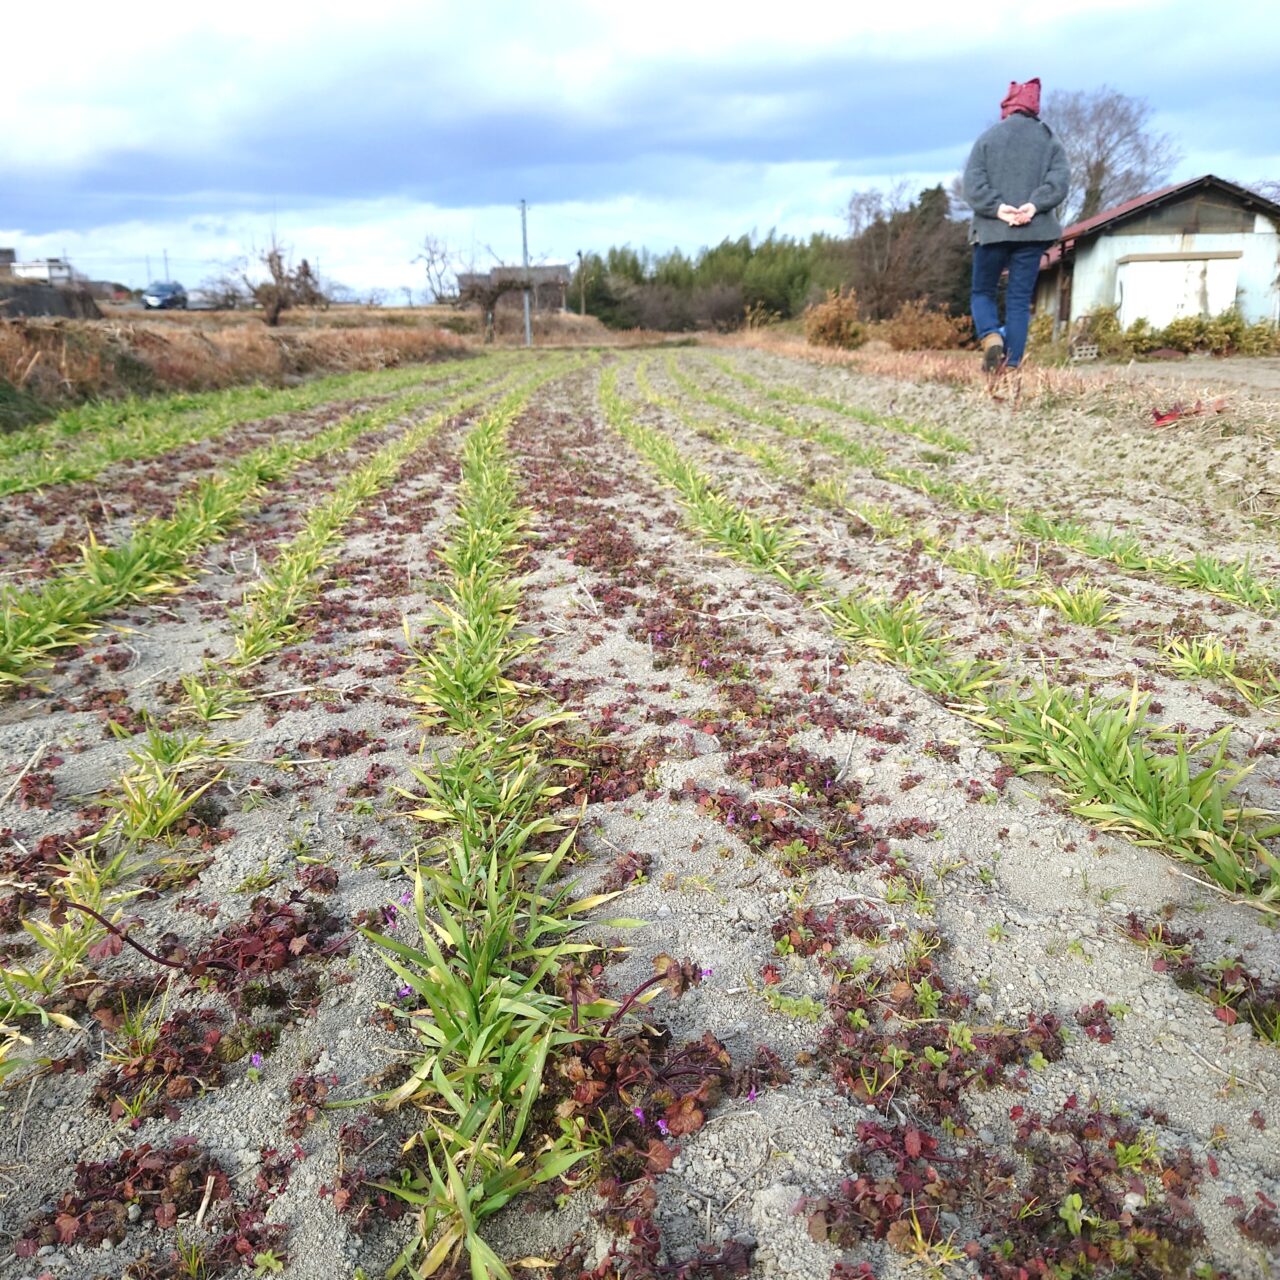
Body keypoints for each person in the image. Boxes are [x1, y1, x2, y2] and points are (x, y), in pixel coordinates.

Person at [963, 78, 1069, 374]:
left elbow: (972, 185)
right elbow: (1059, 182)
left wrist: (997, 209)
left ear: (1008, 104)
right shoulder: (1049, 140)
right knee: (1019, 301)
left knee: (982, 292)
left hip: (992, 232)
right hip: (1033, 231)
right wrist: (1033, 206)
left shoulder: (988, 138)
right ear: (1034, 106)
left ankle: (991, 336)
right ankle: (1011, 367)